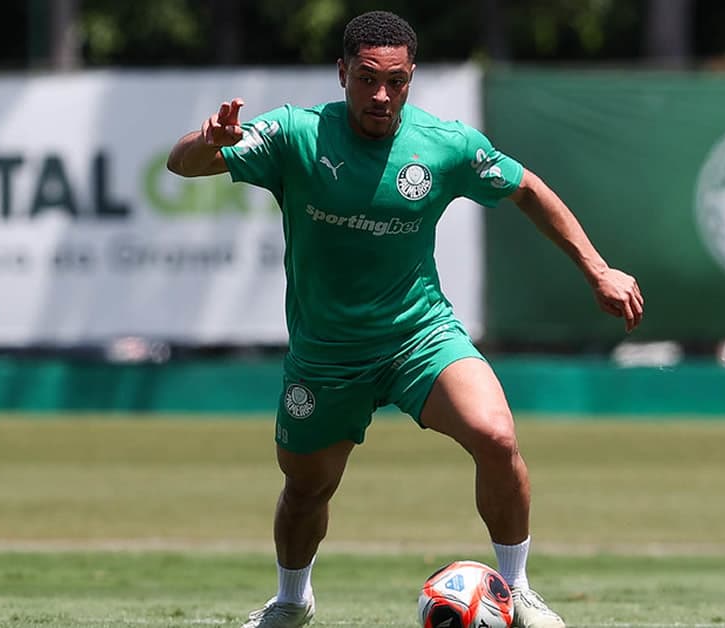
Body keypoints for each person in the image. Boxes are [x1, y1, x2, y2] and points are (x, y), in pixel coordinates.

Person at [166, 10, 643, 628]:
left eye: (396, 81)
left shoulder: (444, 144)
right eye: (367, 79)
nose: (382, 95)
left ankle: (518, 590)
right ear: (342, 73)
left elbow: (527, 188)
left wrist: (597, 269)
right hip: (327, 352)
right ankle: (292, 599)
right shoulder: (294, 134)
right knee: (308, 489)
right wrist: (209, 143)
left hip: (420, 338)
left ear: (412, 78)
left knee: (497, 438)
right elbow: (182, 165)